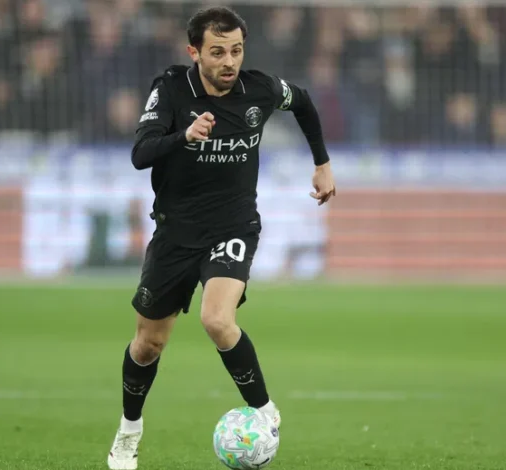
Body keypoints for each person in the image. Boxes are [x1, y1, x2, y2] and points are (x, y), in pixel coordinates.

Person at [107, 7, 336, 469]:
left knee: (216, 319)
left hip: (233, 226)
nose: (229, 61)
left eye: (236, 50)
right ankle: (129, 430)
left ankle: (265, 412)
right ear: (194, 52)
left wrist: (322, 163)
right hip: (176, 232)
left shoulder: (260, 89)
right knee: (148, 345)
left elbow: (304, 102)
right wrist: (184, 136)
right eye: (217, 52)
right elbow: (140, 153)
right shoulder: (171, 89)